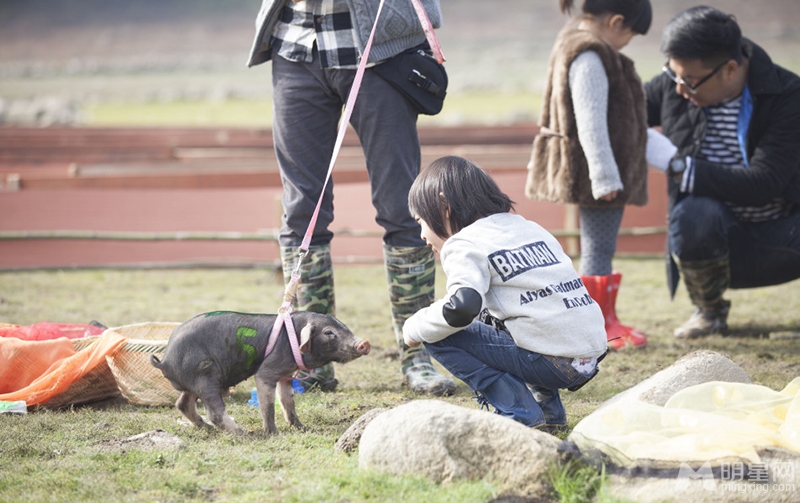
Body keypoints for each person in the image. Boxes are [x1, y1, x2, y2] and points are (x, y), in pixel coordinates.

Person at [246, 0, 455, 395]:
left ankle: (417, 356)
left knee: (403, 209)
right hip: (296, 46)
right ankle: (309, 360)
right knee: (300, 213)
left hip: (381, 51)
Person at [403, 156, 607, 432]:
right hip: (588, 358)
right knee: (512, 314)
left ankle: (520, 414)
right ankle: (549, 414)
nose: (423, 235)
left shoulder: (463, 243)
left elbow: (461, 308)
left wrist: (414, 326)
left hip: (550, 362)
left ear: (443, 206)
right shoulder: (530, 227)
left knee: (436, 334)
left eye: (420, 221)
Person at [644, 6, 800, 338]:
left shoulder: (789, 95)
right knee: (692, 213)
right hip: (712, 239)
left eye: (688, 81)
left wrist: (678, 166)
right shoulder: (678, 84)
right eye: (673, 75)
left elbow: (765, 182)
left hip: (785, 242)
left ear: (729, 69)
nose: (678, 89)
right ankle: (709, 312)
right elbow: (621, 111)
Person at [525, 0, 653, 350]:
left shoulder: (577, 45)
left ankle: (601, 321)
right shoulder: (591, 56)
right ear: (615, 22)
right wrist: (605, 176)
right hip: (598, 176)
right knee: (598, 249)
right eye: (630, 34)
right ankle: (599, 325)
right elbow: (591, 120)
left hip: (597, 173)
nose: (627, 43)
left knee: (599, 248)